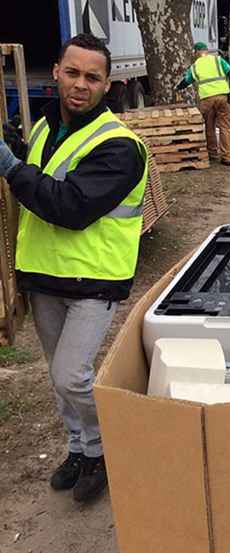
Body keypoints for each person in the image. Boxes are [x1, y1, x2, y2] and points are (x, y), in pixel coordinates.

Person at [0, 33, 148, 502]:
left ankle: (106, 449)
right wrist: (14, 149)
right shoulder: (46, 128)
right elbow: (38, 169)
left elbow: (69, 206)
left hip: (94, 280)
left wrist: (7, 164)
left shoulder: (120, 146)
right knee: (59, 379)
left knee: (72, 376)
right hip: (46, 275)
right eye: (72, 72)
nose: (80, 84)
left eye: (92, 77)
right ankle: (79, 448)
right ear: (57, 72)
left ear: (108, 84)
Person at [176, 42, 230, 166]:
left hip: (206, 100)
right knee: (225, 126)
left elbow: (187, 81)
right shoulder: (218, 60)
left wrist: (178, 87)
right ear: (207, 50)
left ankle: (212, 153)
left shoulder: (195, 66)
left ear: (196, 52)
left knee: (209, 126)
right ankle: (227, 157)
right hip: (222, 98)